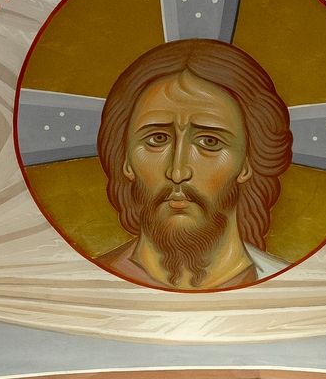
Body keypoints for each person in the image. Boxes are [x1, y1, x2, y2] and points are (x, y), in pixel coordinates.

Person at [93, 38, 293, 291]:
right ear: (125, 159)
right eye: (157, 139)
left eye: (210, 142)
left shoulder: (292, 288)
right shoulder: (88, 284)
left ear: (247, 161)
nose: (177, 172)